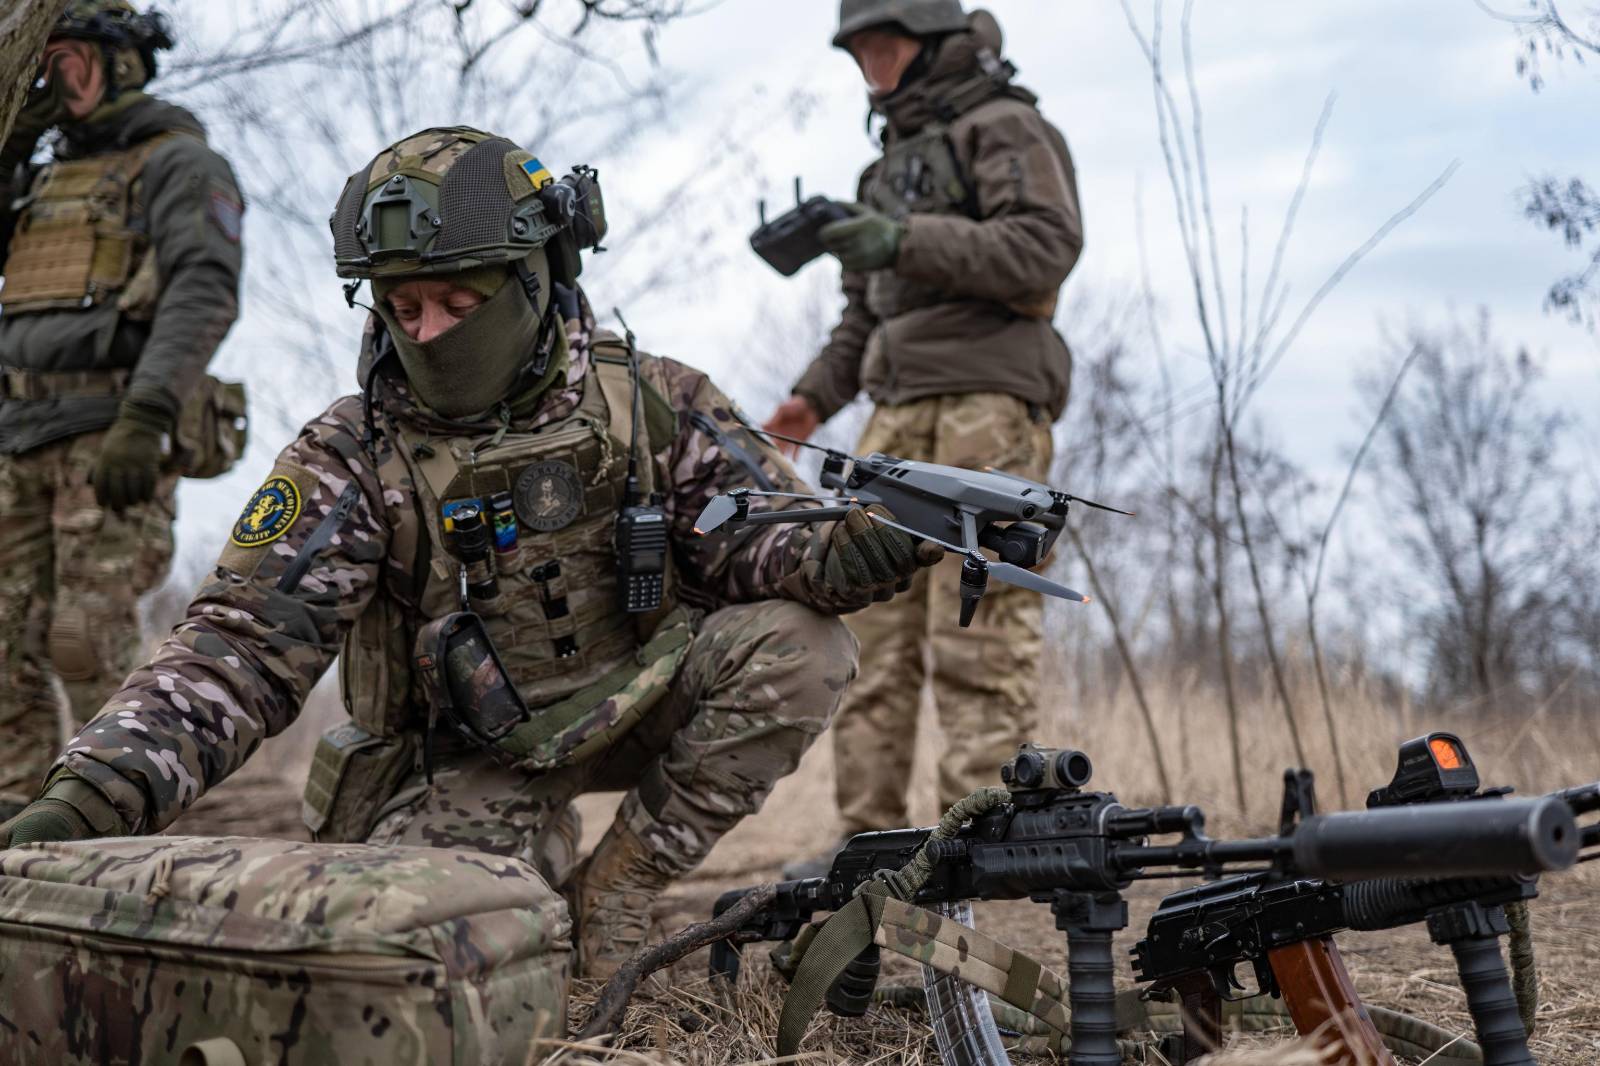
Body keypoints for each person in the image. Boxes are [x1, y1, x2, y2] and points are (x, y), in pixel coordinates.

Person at [0, 126, 939, 979]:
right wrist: (89, 796)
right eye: (402, 308)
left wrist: (853, 553)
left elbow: (754, 540)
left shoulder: (652, 399)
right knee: (446, 951)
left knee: (800, 646)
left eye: (457, 301)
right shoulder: (352, 452)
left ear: (536, 278)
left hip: (640, 695)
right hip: (463, 759)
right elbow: (236, 649)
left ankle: (614, 889)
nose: (428, 333)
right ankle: (536, 876)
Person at [765, 1, 1084, 876]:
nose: (873, 67)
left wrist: (904, 239)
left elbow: (1046, 248)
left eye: (887, 47)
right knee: (872, 637)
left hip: (987, 403)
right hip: (893, 418)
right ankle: (870, 854)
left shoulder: (1007, 127)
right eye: (860, 52)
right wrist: (808, 401)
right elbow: (865, 316)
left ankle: (977, 852)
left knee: (977, 632)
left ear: (935, 43)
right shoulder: (884, 172)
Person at [0, 0, 246, 822]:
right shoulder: (37, 175)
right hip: (19, 435)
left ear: (123, 62)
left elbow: (205, 288)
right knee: (4, 651)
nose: (54, 83)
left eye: (70, 63)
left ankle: (123, 827)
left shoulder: (177, 163)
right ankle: (21, 834)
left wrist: (146, 415)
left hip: (109, 436)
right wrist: (12, 145)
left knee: (86, 639)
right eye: (45, 64)